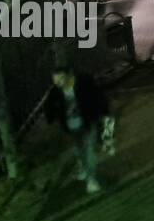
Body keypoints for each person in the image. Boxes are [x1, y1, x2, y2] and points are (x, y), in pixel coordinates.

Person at [44, 66, 110, 194]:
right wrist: (51, 118)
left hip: (87, 122)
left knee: (89, 149)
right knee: (79, 150)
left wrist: (103, 114)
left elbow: (98, 97)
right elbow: (49, 106)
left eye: (61, 79)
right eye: (55, 81)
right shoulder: (56, 91)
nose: (58, 83)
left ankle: (91, 179)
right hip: (71, 127)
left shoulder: (84, 84)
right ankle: (83, 167)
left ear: (69, 75)